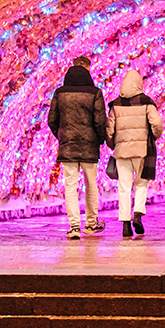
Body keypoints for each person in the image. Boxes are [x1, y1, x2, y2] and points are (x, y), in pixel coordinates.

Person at [47, 56, 107, 239]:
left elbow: (52, 120)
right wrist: (100, 138)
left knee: (70, 187)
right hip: (89, 145)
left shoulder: (59, 93)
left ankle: (74, 226)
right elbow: (99, 121)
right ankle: (91, 223)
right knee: (91, 185)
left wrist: (63, 136)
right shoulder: (95, 93)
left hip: (68, 146)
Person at [106, 68, 163, 240]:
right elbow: (157, 123)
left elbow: (109, 130)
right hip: (142, 150)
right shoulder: (146, 102)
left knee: (124, 187)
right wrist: (153, 136)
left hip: (122, 152)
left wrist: (113, 145)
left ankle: (125, 224)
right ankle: (138, 213)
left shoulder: (115, 104)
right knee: (141, 183)